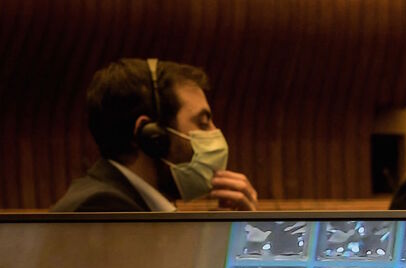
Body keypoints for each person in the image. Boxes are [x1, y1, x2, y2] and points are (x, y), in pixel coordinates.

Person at [51, 58, 257, 212]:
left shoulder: (131, 202)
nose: (216, 134)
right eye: (202, 123)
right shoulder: (103, 208)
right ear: (151, 136)